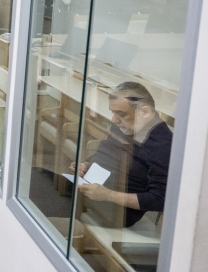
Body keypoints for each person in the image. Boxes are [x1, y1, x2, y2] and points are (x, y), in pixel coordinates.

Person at [69, 82, 172, 228]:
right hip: (95, 196)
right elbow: (108, 150)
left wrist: (108, 195)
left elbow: (160, 199)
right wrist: (86, 164)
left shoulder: (163, 146)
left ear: (145, 112)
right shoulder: (125, 125)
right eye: (112, 112)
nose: (114, 120)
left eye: (121, 114)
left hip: (118, 213)